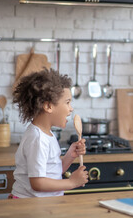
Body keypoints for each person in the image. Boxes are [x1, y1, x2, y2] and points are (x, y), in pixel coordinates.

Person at [10, 69, 88, 198]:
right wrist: (71, 182)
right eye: (67, 102)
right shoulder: (37, 139)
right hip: (29, 205)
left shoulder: (46, 134)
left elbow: (52, 173)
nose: (71, 108)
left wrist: (70, 155)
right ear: (48, 106)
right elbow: (38, 183)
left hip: (42, 205)